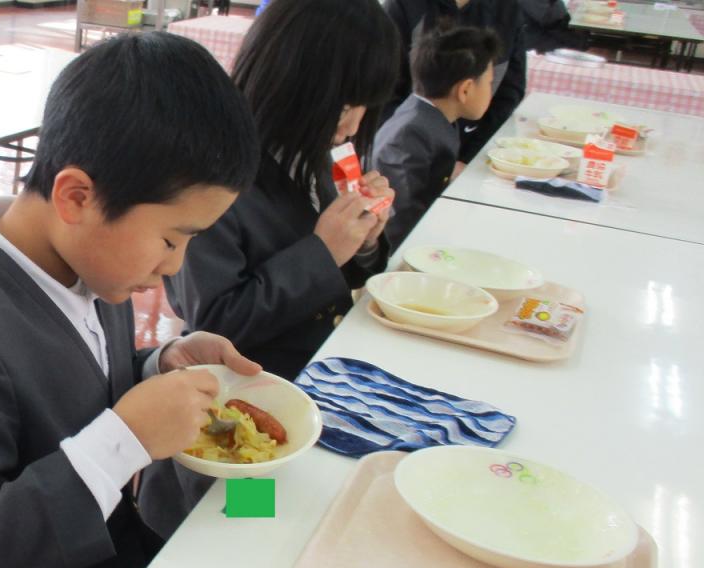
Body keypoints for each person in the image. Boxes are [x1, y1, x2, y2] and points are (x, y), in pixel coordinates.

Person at [0, 32, 260, 568]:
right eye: (170, 239)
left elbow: (75, 379)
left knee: (274, 547)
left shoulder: (90, 263)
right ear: (76, 197)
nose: (175, 266)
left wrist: (157, 365)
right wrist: (125, 439)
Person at [165, 0, 400, 381]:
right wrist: (324, 252)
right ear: (292, 83)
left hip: (323, 364)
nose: (353, 128)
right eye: (344, 107)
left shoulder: (312, 149)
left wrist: (364, 240)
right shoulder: (210, 175)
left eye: (365, 107)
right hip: (248, 385)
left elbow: (345, 277)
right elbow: (215, 323)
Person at [373, 26, 500, 250]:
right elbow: (400, 222)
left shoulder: (429, 117)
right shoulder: (410, 135)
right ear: (465, 90)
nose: (491, 90)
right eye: (489, 83)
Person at [382, 0, 526, 167]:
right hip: (409, 154)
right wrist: (406, 151)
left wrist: (470, 158)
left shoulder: (508, 9)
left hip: (477, 154)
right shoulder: (404, 6)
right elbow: (384, 92)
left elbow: (509, 93)